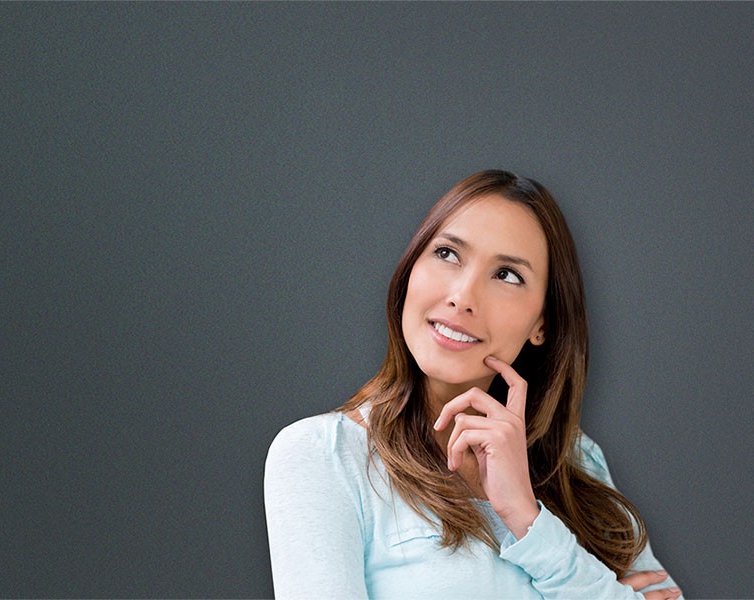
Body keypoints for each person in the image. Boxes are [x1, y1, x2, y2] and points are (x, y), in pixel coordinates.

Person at [264, 170, 682, 599]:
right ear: (411, 268)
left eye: (507, 275)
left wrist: (525, 514)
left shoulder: (575, 460)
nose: (463, 296)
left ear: (542, 322)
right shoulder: (322, 456)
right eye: (446, 253)